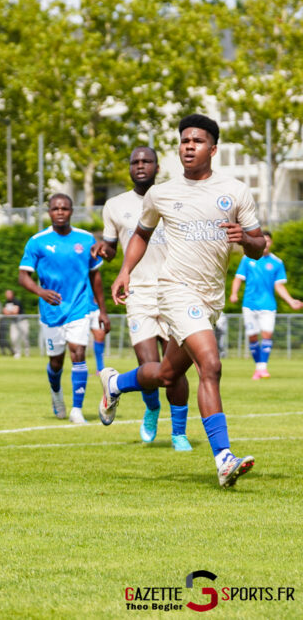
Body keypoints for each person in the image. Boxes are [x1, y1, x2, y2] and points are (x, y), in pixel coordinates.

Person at [99, 114, 265, 488]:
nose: (189, 146)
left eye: (198, 141)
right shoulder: (163, 193)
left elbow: (258, 246)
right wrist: (125, 271)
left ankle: (115, 383)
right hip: (174, 290)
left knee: (166, 375)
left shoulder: (235, 191)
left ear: (213, 149)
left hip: (210, 298)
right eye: (184, 140)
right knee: (211, 363)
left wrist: (245, 240)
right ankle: (224, 458)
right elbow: (141, 233)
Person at [91, 146, 192, 450]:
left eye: (146, 161)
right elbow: (110, 248)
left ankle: (178, 433)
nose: (140, 165)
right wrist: (103, 250)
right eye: (135, 161)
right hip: (138, 293)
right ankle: (151, 410)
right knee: (149, 365)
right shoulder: (114, 205)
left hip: (174, 289)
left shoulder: (174, 198)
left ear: (157, 167)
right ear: (129, 168)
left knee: (175, 369)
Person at [18, 192, 109, 425]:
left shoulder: (86, 239)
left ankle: (76, 410)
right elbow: (23, 276)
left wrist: (103, 310)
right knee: (56, 362)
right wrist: (41, 292)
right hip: (51, 312)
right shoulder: (37, 241)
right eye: (55, 208)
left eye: (65, 208)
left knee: (78, 353)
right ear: (49, 212)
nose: (60, 212)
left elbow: (95, 275)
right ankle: (56, 393)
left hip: (79, 307)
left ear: (71, 211)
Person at [230, 231, 303, 379]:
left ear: (271, 243)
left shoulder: (277, 263)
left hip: (268, 305)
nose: (266, 244)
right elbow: (238, 278)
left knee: (267, 334)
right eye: (263, 241)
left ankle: (262, 368)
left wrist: (290, 301)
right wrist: (233, 293)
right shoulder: (247, 259)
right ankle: (259, 367)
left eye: (268, 241)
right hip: (249, 304)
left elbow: (279, 286)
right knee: (252, 337)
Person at [2, 288, 29, 357]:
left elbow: (15, 312)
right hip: (14, 322)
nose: (7, 295)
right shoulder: (6, 302)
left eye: (9, 293)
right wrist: (11, 312)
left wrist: (9, 312)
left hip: (22, 321)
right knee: (13, 338)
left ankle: (27, 353)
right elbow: (4, 312)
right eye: (6, 294)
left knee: (24, 338)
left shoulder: (16, 301)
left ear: (12, 294)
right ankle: (17, 353)